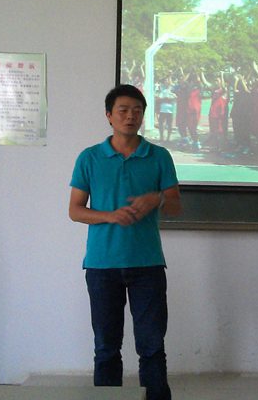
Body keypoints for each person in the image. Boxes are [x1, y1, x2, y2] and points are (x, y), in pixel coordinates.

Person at [69, 84, 182, 399]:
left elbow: (175, 206)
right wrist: (110, 216)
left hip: (148, 265)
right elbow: (75, 210)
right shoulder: (90, 157)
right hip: (102, 265)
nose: (131, 116)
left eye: (137, 110)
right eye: (123, 110)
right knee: (106, 348)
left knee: (152, 347)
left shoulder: (159, 156)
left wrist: (157, 198)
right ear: (109, 115)